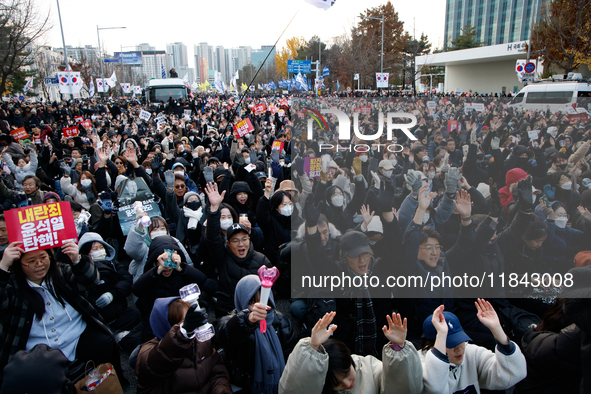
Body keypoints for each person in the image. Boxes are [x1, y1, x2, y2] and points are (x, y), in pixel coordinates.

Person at [0, 240, 123, 386]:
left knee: (104, 342)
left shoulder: (61, 271)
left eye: (43, 257)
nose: (39, 264)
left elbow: (91, 281)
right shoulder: (13, 285)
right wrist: (2, 268)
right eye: (31, 261)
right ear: (18, 265)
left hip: (76, 336)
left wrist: (77, 259)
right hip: (38, 349)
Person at [279, 311, 424, 394]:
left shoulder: (369, 367)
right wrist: (311, 349)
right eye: (337, 383)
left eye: (347, 373)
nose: (347, 383)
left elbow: (402, 386)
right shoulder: (316, 385)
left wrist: (398, 349)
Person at [421, 301, 527, 394]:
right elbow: (435, 389)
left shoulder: (472, 353)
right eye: (451, 345)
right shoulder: (418, 362)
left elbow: (514, 374)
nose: (459, 349)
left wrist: (497, 329)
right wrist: (441, 335)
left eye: (461, 341)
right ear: (431, 345)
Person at [216, 274, 295, 393]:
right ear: (241, 299)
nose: (260, 307)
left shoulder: (280, 321)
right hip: (246, 381)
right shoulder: (233, 322)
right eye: (252, 302)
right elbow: (223, 336)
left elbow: (290, 354)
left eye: (264, 300)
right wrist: (247, 320)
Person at [135, 296, 232, 393]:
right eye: (183, 323)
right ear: (168, 325)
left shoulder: (201, 342)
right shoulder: (148, 353)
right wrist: (182, 334)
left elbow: (217, 372)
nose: (193, 327)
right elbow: (156, 364)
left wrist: (221, 390)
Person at [204, 182, 270, 316]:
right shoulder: (222, 259)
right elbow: (212, 239)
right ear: (228, 243)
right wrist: (214, 209)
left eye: (244, 239)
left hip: (256, 311)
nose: (241, 244)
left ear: (249, 239)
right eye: (235, 240)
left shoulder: (262, 260)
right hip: (229, 311)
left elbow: (270, 291)